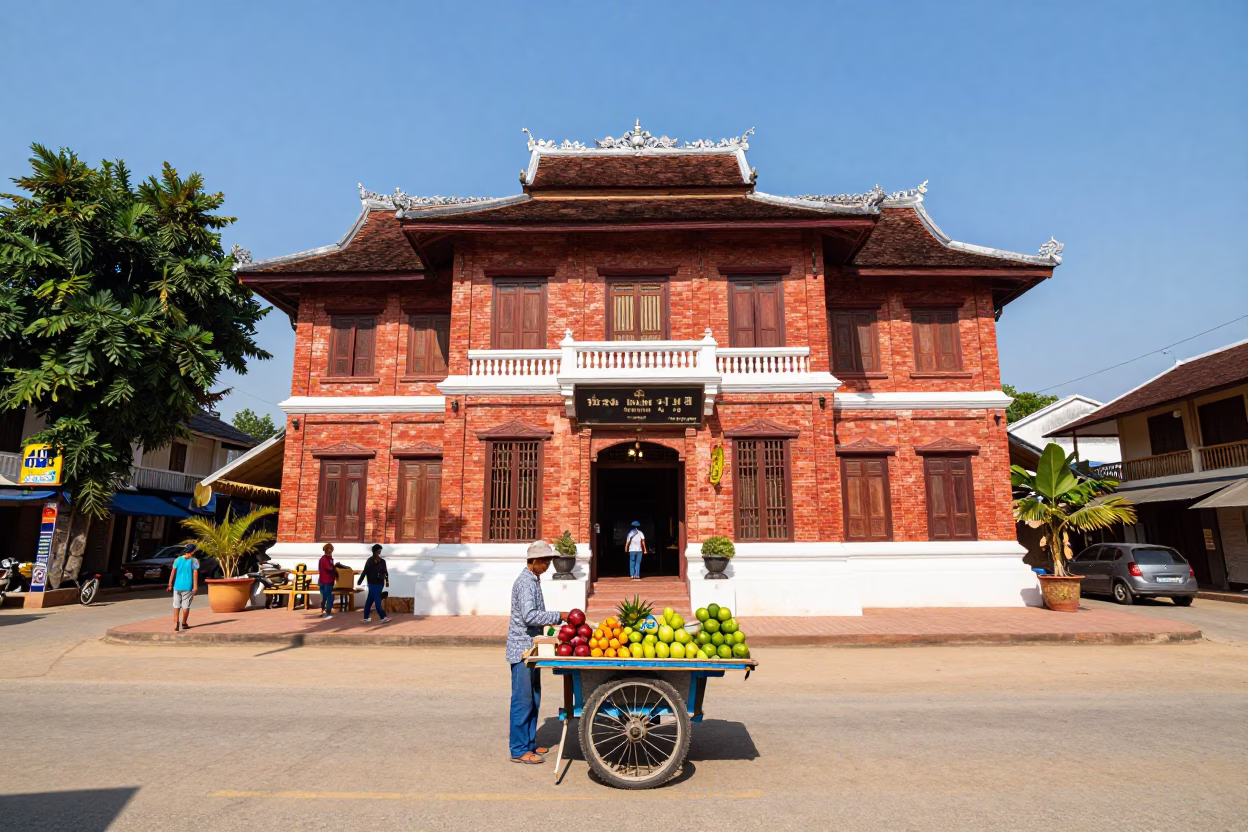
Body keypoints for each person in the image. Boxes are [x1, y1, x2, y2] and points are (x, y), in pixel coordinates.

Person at [507, 540, 566, 765]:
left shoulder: (534, 580)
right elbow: (530, 616)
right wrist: (559, 615)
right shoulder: (525, 583)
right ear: (536, 561)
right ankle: (519, 749)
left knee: (534, 698)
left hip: (532, 648)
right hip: (522, 650)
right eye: (547, 562)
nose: (549, 566)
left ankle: (530, 743)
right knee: (522, 701)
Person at [167, 543, 199, 632]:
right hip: (187, 586)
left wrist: (170, 584)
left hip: (177, 586)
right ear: (192, 551)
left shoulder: (177, 560)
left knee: (176, 605)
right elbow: (195, 573)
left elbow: (172, 573)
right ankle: (184, 623)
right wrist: (195, 587)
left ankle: (176, 622)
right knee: (186, 606)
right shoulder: (194, 560)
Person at [358, 543, 390, 623]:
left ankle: (366, 618)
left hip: (380, 583)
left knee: (369, 601)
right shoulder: (370, 561)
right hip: (372, 583)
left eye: (380, 551)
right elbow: (365, 571)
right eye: (378, 550)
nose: (379, 552)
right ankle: (383, 618)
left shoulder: (383, 561)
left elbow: (386, 572)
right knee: (377, 601)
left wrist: (387, 581)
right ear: (374, 551)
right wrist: (360, 580)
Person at [317, 543, 340, 618]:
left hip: (326, 580)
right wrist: (335, 569)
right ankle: (326, 611)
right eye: (331, 549)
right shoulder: (325, 559)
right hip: (326, 581)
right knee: (328, 596)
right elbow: (329, 568)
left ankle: (324, 610)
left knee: (325, 596)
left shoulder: (329, 559)